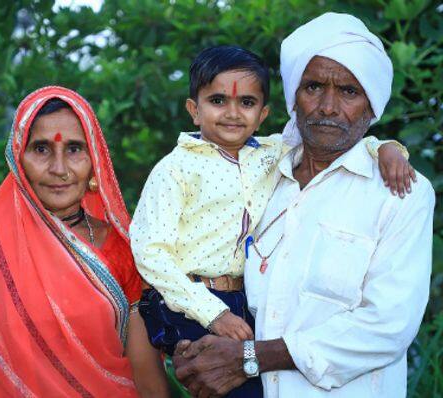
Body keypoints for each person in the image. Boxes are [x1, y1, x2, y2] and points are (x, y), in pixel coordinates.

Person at [172, 13, 434, 398]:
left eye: (349, 91)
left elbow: (386, 327)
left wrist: (251, 357)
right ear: (294, 95)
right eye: (313, 86)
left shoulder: (400, 191)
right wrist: (190, 343)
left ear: (371, 105)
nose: (328, 107)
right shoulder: (257, 171)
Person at [0, 86, 169, 397]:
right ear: (18, 157)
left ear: (95, 160)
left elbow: (146, 373)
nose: (59, 169)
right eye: (41, 149)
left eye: (74, 149)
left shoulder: (123, 251)